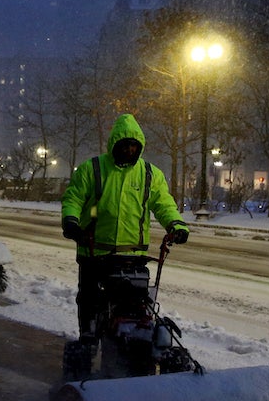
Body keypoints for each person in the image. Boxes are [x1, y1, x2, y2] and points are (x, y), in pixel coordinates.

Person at [60, 113, 189, 340]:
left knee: (137, 302)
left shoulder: (150, 175)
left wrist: (175, 225)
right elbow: (74, 199)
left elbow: (163, 204)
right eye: (125, 145)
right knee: (90, 301)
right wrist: (71, 221)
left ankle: (136, 338)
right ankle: (88, 338)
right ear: (114, 144)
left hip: (133, 254)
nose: (129, 150)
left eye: (133, 146)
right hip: (95, 251)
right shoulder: (93, 169)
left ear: (140, 147)